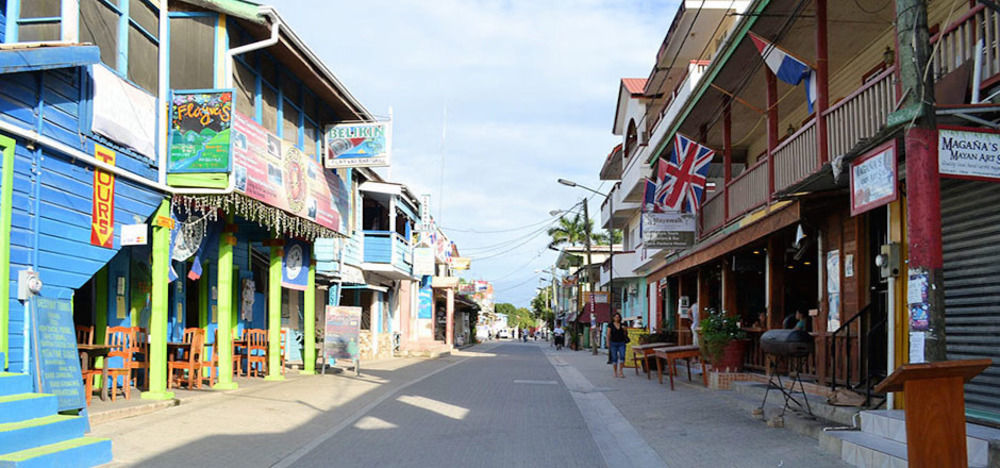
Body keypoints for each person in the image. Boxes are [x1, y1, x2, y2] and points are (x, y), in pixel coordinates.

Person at [607, 313, 628, 378]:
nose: (617, 318)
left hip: (621, 342)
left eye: (618, 317)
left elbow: (626, 333)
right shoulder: (610, 325)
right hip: (613, 343)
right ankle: (615, 372)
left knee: (622, 356)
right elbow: (608, 334)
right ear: (613, 318)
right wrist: (607, 342)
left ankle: (621, 371)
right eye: (615, 317)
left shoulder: (622, 324)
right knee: (614, 358)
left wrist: (625, 329)